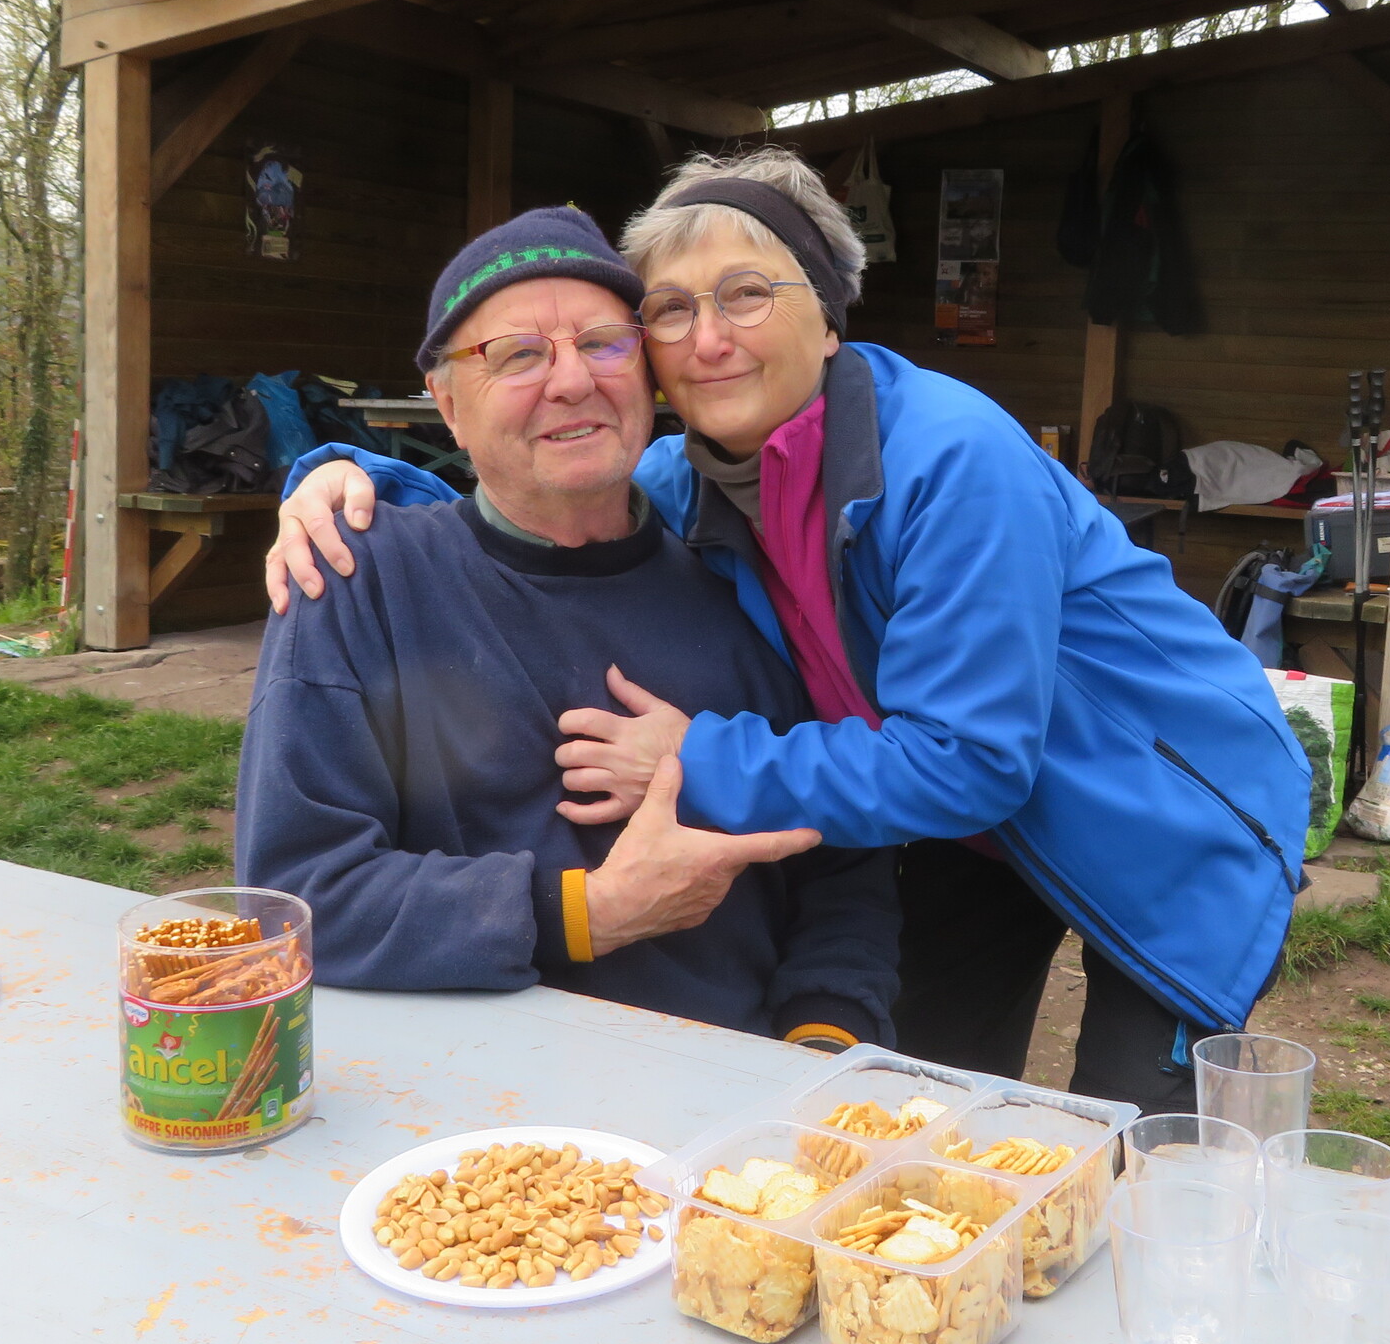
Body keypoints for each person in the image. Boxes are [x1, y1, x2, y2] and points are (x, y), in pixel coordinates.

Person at [266, 150, 1307, 1115]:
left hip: (1162, 808)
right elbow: (532, 494)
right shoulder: (694, 478)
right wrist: (346, 485)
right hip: (961, 823)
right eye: (672, 310)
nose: (709, 338)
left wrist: (695, 757)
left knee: (1141, 1145)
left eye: (748, 294)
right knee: (926, 1096)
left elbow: (972, 763)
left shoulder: (955, 461)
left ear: (830, 319)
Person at [235, 206, 900, 1051]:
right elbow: (296, 897)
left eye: (603, 343)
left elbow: (841, 862)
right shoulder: (355, 578)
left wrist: (822, 1038)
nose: (572, 381)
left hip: (731, 1077)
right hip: (462, 1092)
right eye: (517, 355)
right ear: (447, 404)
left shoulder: (742, 572)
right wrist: (585, 913)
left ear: (649, 372)